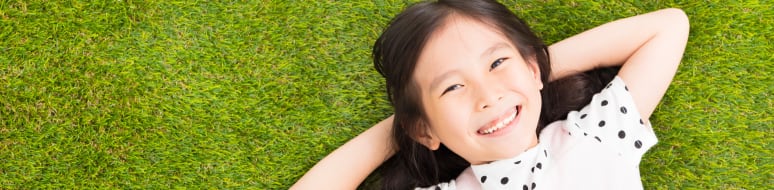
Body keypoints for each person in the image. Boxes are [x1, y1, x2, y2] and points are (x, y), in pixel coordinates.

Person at [293, 0, 689, 189]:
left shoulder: (595, 138)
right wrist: (406, 127)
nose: (487, 95)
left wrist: (531, 69)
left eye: (496, 64)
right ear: (423, 131)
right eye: (452, 87)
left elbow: (667, 27)